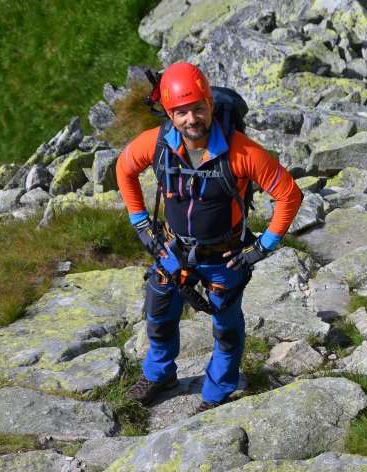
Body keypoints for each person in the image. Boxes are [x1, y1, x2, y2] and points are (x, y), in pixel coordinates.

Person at [116, 62, 302, 414]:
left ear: (210, 105)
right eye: (181, 112)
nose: (191, 119)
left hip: (225, 257)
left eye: (198, 108)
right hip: (169, 252)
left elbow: (289, 195)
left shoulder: (242, 152)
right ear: (169, 113)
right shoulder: (156, 145)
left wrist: (262, 248)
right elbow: (124, 169)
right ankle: (159, 375)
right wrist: (141, 222)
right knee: (158, 316)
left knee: (227, 329)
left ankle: (216, 393)